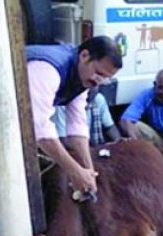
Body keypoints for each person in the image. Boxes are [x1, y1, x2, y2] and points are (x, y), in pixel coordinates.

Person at [27, 36, 122, 197]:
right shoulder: (47, 69)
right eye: (98, 73)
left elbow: (77, 125)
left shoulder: (84, 76)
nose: (98, 81)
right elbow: (40, 128)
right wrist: (74, 171)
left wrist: (88, 170)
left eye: (105, 78)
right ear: (84, 56)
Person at [53, 87, 122, 146]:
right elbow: (64, 140)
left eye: (95, 87)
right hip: (73, 149)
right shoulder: (62, 105)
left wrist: (118, 142)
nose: (92, 90)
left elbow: (109, 127)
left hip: (93, 145)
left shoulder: (98, 99)